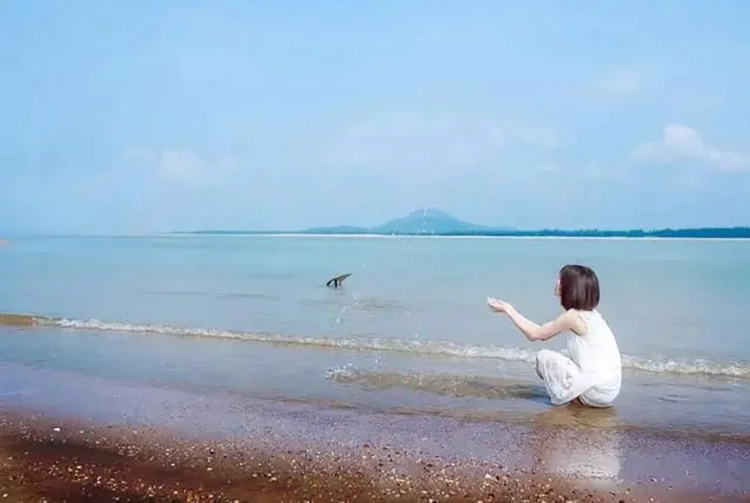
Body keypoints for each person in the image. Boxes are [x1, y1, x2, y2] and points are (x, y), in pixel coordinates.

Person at [487, 264, 622, 408]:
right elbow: (540, 330)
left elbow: (535, 334)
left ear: (572, 287)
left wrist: (508, 309)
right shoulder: (592, 315)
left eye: (561, 280)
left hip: (597, 391)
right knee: (565, 355)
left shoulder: (573, 316)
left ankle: (578, 398)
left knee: (543, 357)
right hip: (610, 388)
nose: (557, 282)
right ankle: (579, 397)